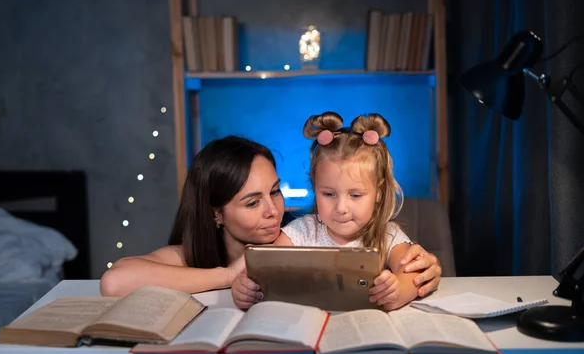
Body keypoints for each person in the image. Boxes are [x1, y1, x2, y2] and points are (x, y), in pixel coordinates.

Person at [100, 135, 442, 298]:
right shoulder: (193, 253)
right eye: (252, 203)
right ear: (216, 214)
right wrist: (228, 275)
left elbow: (405, 263)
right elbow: (115, 280)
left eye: (275, 192)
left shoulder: (299, 231)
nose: (274, 211)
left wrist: (417, 274)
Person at [232, 112, 424, 311]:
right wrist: (244, 287)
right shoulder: (302, 232)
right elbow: (264, 268)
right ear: (315, 188)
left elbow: (414, 273)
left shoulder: (387, 234)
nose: (341, 208)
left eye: (355, 195)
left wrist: (398, 291)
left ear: (379, 192)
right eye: (329, 194)